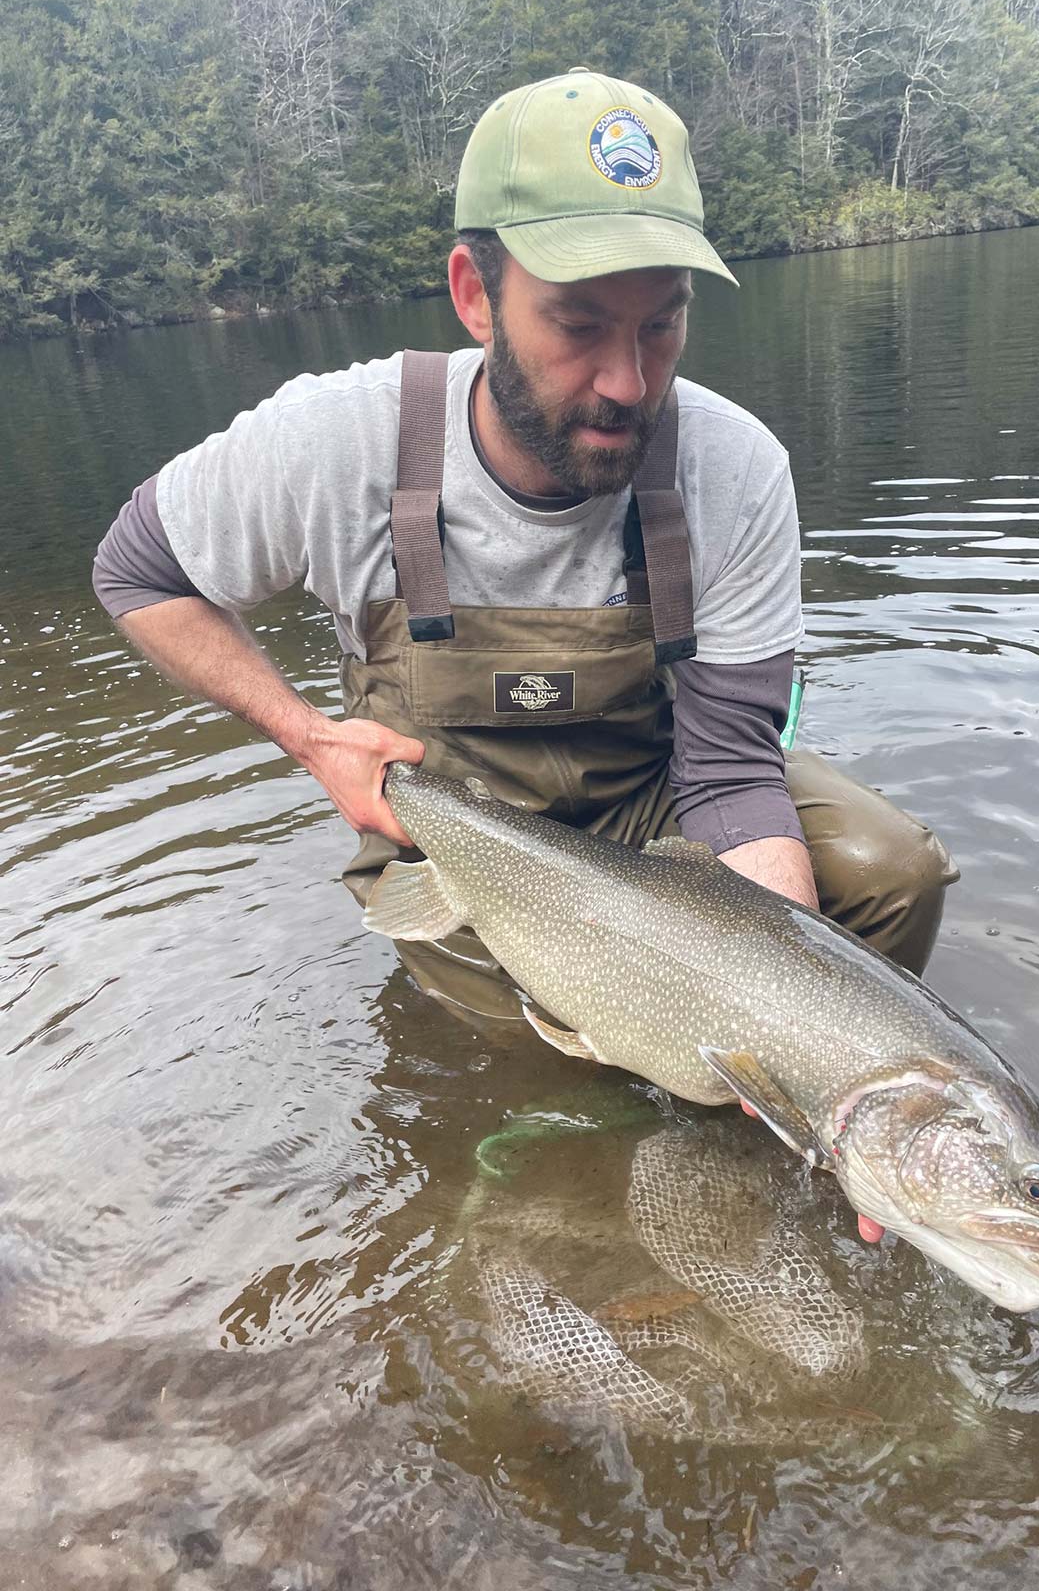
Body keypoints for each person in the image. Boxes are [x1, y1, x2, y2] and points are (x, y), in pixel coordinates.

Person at [93, 67, 957, 1065]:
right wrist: (312, 738)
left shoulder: (738, 466)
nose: (629, 381)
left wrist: (786, 1036)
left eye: (661, 322)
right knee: (557, 1068)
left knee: (891, 873)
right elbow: (138, 572)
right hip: (458, 833)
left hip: (655, 796)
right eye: (580, 323)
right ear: (475, 294)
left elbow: (727, 770)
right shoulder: (332, 441)